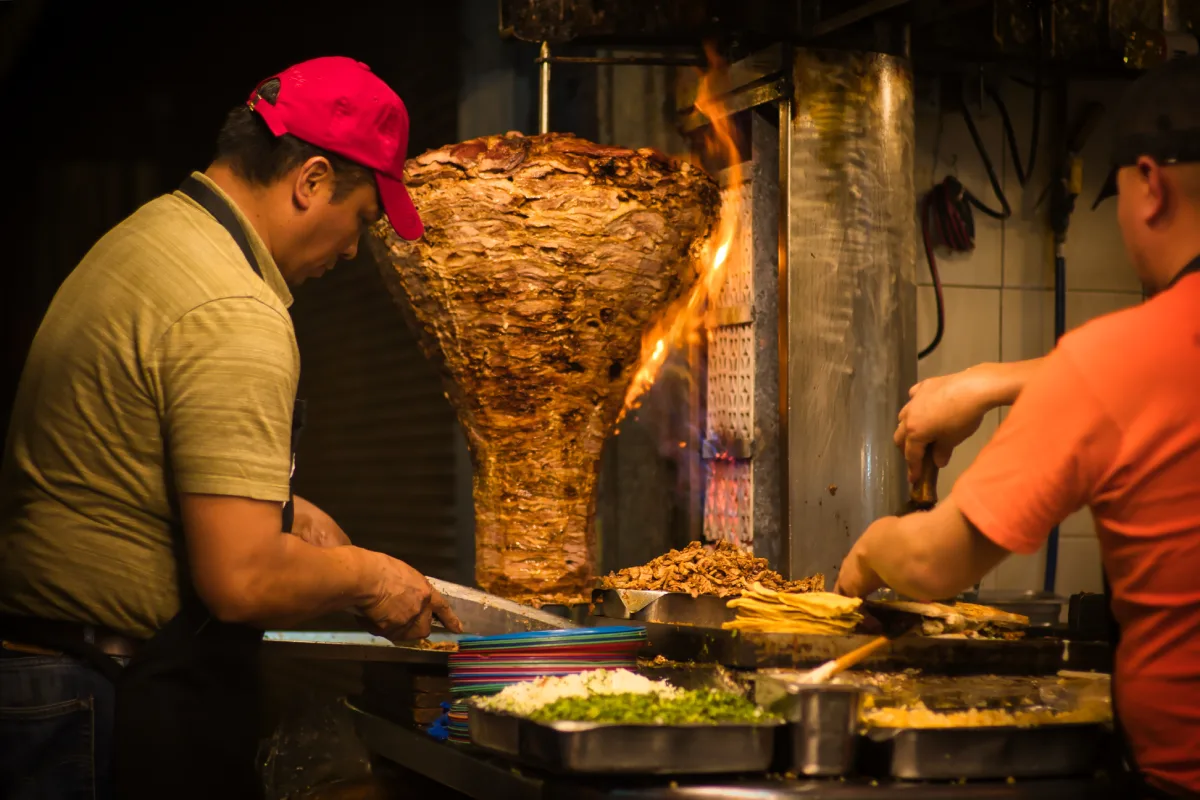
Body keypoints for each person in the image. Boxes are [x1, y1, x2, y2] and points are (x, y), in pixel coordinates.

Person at [0, 56, 462, 800]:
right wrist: (371, 577)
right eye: (362, 220)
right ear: (311, 180)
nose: (352, 250)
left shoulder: (153, 238)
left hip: (42, 678)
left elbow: (122, 455)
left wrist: (282, 511)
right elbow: (243, 581)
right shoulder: (232, 307)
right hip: (91, 696)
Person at [834, 56, 1200, 798]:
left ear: (1150, 186)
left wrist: (870, 550)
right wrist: (993, 382)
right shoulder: (1127, 365)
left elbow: (934, 565)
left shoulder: (1114, 362)